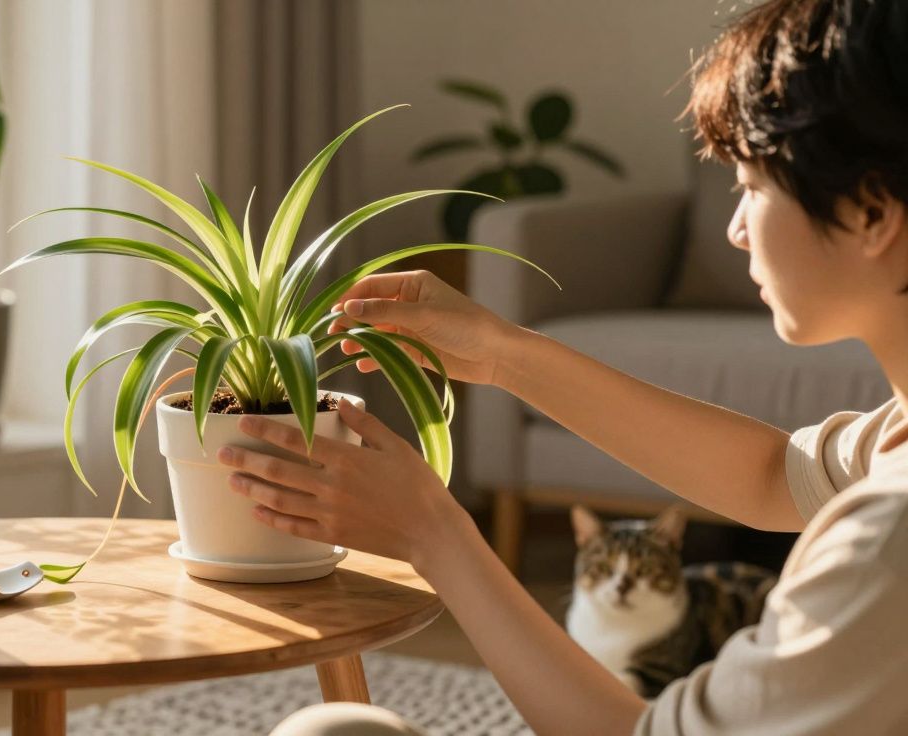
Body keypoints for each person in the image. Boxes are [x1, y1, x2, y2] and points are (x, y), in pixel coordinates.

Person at [217, 1, 908, 733]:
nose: (735, 229)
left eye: (751, 186)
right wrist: (505, 354)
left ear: (871, 211)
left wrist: (434, 533)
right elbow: (775, 475)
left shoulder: (885, 543)